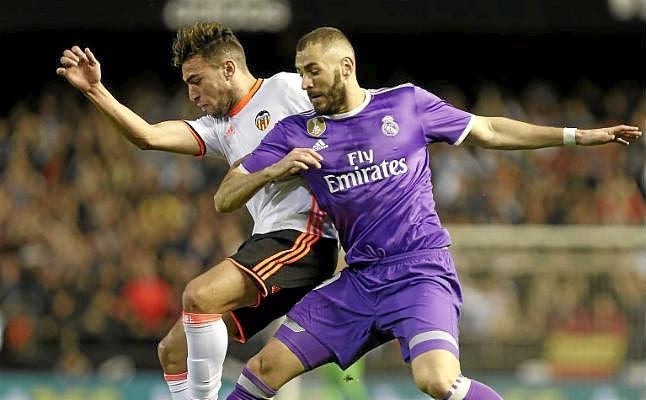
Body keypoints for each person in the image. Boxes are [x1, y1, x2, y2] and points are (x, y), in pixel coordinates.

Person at [213, 27, 642, 399]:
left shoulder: (406, 105)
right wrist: (272, 170)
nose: (305, 84)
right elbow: (226, 195)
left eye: (313, 71)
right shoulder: (295, 132)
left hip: (419, 271)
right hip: (360, 280)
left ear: (346, 66)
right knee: (262, 369)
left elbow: (490, 129)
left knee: (437, 381)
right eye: (300, 72)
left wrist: (576, 136)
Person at [56, 22, 339, 400]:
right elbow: (148, 136)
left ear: (228, 69)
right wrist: (95, 89)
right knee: (173, 352)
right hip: (267, 245)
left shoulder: (287, 88)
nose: (191, 94)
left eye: (196, 81)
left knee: (199, 295)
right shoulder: (220, 127)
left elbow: (348, 120)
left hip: (306, 238)